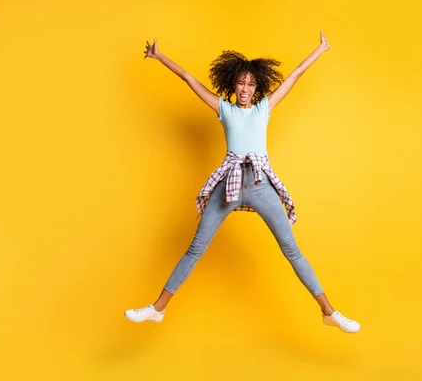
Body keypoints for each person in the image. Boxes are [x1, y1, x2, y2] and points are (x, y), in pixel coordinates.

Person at [124, 31, 360, 333]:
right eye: (241, 83)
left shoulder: (264, 108)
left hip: (261, 184)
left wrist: (321, 49)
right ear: (232, 84)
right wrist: (159, 57)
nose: (246, 88)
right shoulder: (225, 109)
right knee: (196, 247)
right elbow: (188, 78)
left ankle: (330, 312)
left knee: (291, 249)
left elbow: (296, 75)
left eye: (251, 84)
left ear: (257, 86)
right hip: (229, 185)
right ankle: (157, 309)